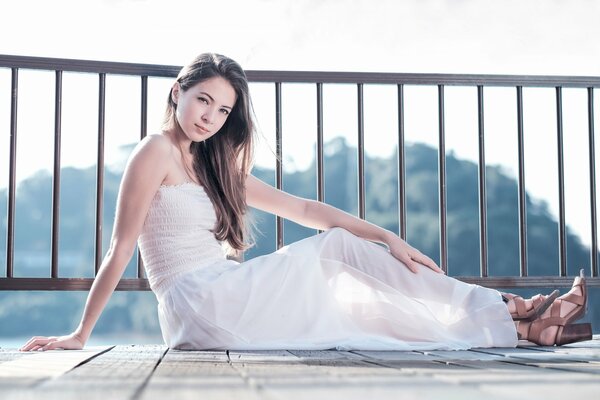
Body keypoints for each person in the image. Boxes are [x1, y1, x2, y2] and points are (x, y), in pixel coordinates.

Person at [20, 53, 591, 352]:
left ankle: (516, 327)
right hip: (199, 303)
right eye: (203, 101)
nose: (210, 117)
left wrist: (388, 238)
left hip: (225, 297)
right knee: (341, 260)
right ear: (178, 92)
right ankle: (509, 310)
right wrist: (79, 334)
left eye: (222, 111)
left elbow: (307, 210)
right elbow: (121, 249)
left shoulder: (217, 164)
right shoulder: (155, 151)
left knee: (364, 308)